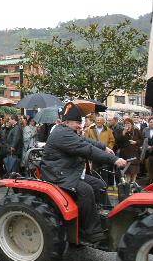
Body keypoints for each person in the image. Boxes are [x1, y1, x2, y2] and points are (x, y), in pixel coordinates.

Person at [40, 102, 126, 243]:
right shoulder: (62, 134)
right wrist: (114, 159)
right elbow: (86, 149)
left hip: (69, 172)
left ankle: (104, 219)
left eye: (80, 122)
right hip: (58, 174)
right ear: (66, 122)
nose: (80, 125)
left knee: (99, 185)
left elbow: (86, 141)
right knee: (86, 191)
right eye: (76, 123)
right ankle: (91, 231)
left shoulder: (68, 131)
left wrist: (104, 147)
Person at [84, 115, 116, 187]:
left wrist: (108, 148)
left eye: (100, 120)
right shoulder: (90, 129)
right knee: (95, 171)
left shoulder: (108, 130)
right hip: (94, 153)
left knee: (105, 171)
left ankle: (105, 186)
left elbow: (112, 141)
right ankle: (96, 186)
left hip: (104, 153)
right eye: (97, 120)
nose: (98, 121)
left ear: (103, 122)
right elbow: (86, 140)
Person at [116, 117, 142, 183]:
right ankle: (127, 186)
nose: (127, 125)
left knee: (134, 170)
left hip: (135, 153)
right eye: (125, 123)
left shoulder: (136, 130)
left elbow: (142, 140)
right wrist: (123, 133)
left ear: (132, 124)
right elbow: (118, 141)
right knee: (127, 170)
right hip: (125, 154)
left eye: (129, 123)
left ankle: (133, 184)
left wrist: (136, 142)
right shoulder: (121, 131)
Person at [142, 117, 153, 184]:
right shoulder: (145, 130)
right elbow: (142, 139)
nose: (152, 123)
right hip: (147, 153)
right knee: (148, 168)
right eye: (151, 122)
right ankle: (150, 180)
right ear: (148, 123)